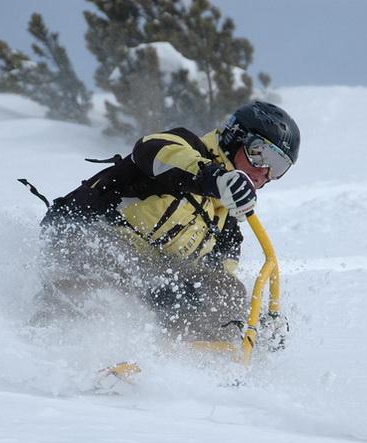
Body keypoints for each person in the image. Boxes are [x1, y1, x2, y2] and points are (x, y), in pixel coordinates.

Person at [32, 101, 300, 347]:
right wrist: (213, 178)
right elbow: (151, 150)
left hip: (148, 279)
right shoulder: (185, 147)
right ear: (233, 139)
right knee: (111, 262)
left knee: (225, 290)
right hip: (87, 240)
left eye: (278, 167)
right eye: (260, 154)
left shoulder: (228, 225)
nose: (264, 171)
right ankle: (64, 345)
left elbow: (218, 279)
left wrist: (255, 326)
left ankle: (202, 364)